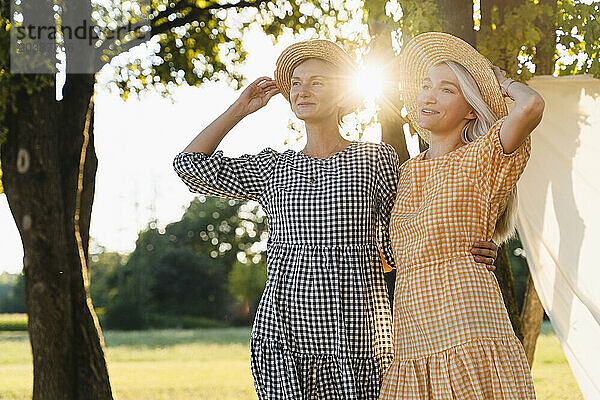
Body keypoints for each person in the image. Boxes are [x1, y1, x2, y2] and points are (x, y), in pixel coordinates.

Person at [173, 39, 499, 399]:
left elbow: (404, 238)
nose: (302, 91)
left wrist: (463, 250)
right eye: (295, 83)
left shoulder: (375, 159)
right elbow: (189, 166)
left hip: (357, 334)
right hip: (282, 335)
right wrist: (239, 109)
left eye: (317, 82)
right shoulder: (274, 167)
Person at [379, 32, 545, 399]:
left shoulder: (482, 157)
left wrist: (502, 83)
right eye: (426, 86)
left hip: (467, 326)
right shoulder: (405, 172)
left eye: (446, 90)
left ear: (471, 108)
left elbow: (531, 106)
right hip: (412, 334)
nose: (429, 96)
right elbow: (389, 254)